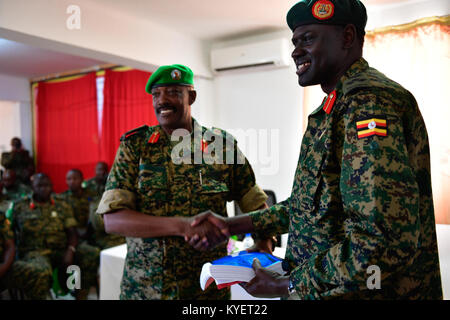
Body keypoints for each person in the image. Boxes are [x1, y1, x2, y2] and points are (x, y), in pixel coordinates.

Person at [189, 0, 442, 300]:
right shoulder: (331, 109)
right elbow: (304, 207)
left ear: (347, 37)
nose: (296, 50)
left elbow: (380, 240)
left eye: (307, 39)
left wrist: (288, 285)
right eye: (294, 42)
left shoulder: (368, 103)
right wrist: (231, 224)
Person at [96, 64, 270, 300]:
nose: (162, 101)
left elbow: (256, 202)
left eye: (173, 93)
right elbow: (113, 220)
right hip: (146, 290)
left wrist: (264, 242)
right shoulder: (134, 146)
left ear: (192, 96)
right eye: (156, 94)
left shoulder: (221, 145)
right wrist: (183, 226)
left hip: (207, 291)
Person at [7, 173, 78, 299]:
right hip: (34, 252)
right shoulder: (20, 206)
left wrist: (70, 250)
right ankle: (44, 296)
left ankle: (74, 292)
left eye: (47, 185)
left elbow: (72, 232)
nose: (43, 189)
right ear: (32, 187)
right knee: (42, 271)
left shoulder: (62, 204)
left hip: (60, 249)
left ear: (51, 186)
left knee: (86, 255)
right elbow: (10, 233)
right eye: (39, 185)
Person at [56, 169, 101, 299]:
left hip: (92, 233)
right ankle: (78, 290)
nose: (72, 182)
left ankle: (87, 287)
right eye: (69, 179)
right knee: (83, 255)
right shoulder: (62, 198)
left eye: (75, 178)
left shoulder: (92, 195)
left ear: (82, 180)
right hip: (72, 237)